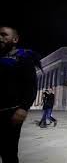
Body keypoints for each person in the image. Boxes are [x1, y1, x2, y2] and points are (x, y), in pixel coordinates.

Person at [0, 26, 41, 163]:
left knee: (8, 153)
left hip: (10, 113)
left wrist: (23, 107)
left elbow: (31, 86)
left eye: (4, 35)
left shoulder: (23, 59)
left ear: (15, 39)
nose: (0, 38)